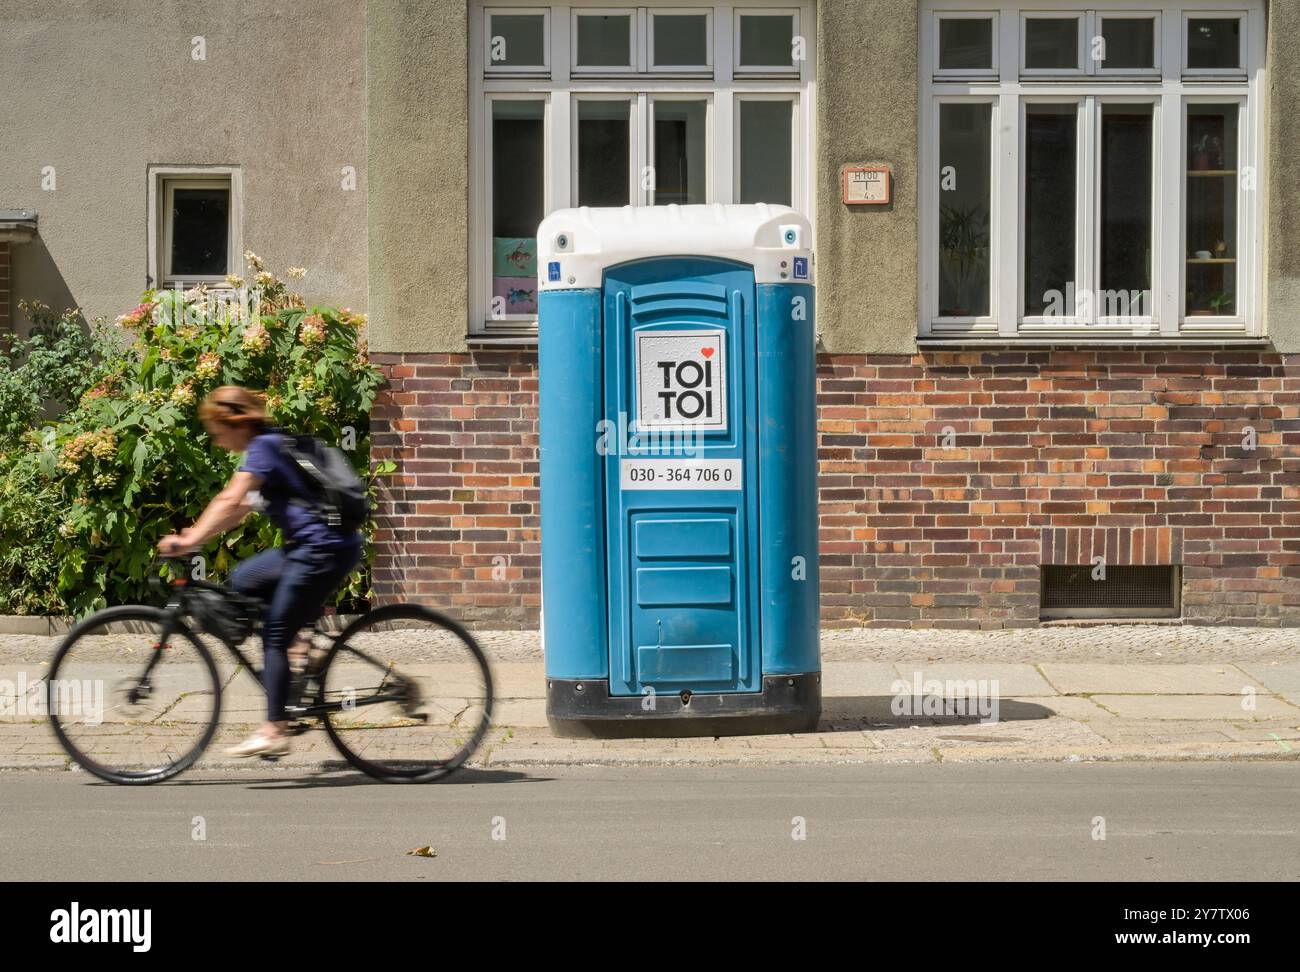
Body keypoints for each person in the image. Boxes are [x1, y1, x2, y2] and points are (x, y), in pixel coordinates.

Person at [157, 386, 363, 757]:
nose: (217, 442)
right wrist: (197, 536)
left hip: (323, 549)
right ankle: (302, 656)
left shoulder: (264, 448)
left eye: (218, 433)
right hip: (310, 547)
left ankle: (274, 730)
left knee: (274, 633)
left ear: (236, 423)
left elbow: (230, 498)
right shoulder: (267, 448)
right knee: (243, 580)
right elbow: (239, 509)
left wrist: (190, 541)